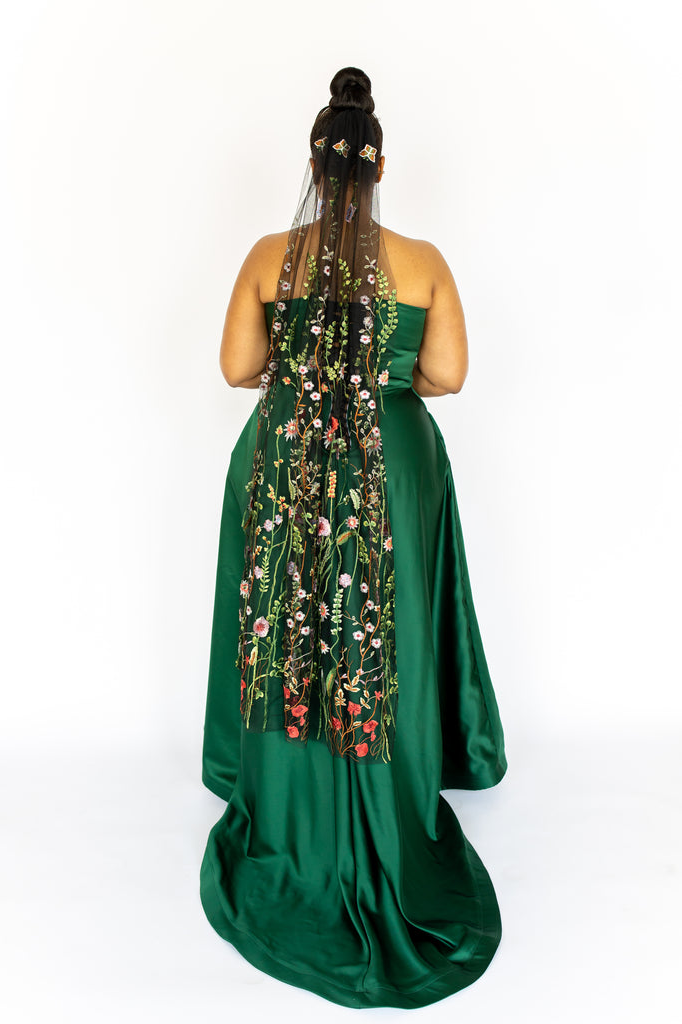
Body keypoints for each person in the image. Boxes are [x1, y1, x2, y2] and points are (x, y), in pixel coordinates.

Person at [199, 67, 508, 1010]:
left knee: (287, 622)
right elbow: (447, 375)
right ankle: (389, 789)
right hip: (391, 465)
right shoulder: (422, 260)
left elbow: (236, 368)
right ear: (379, 169)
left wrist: (308, 378)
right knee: (387, 625)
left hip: (287, 459)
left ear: (312, 164)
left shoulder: (269, 255)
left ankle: (288, 800)